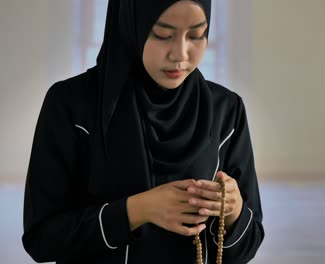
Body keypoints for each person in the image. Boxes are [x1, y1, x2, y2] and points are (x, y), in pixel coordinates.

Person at [22, 0, 264, 263]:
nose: (180, 54)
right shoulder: (71, 105)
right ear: (131, 26)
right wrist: (136, 211)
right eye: (162, 34)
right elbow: (42, 239)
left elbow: (246, 248)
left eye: (196, 34)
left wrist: (233, 212)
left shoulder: (226, 110)